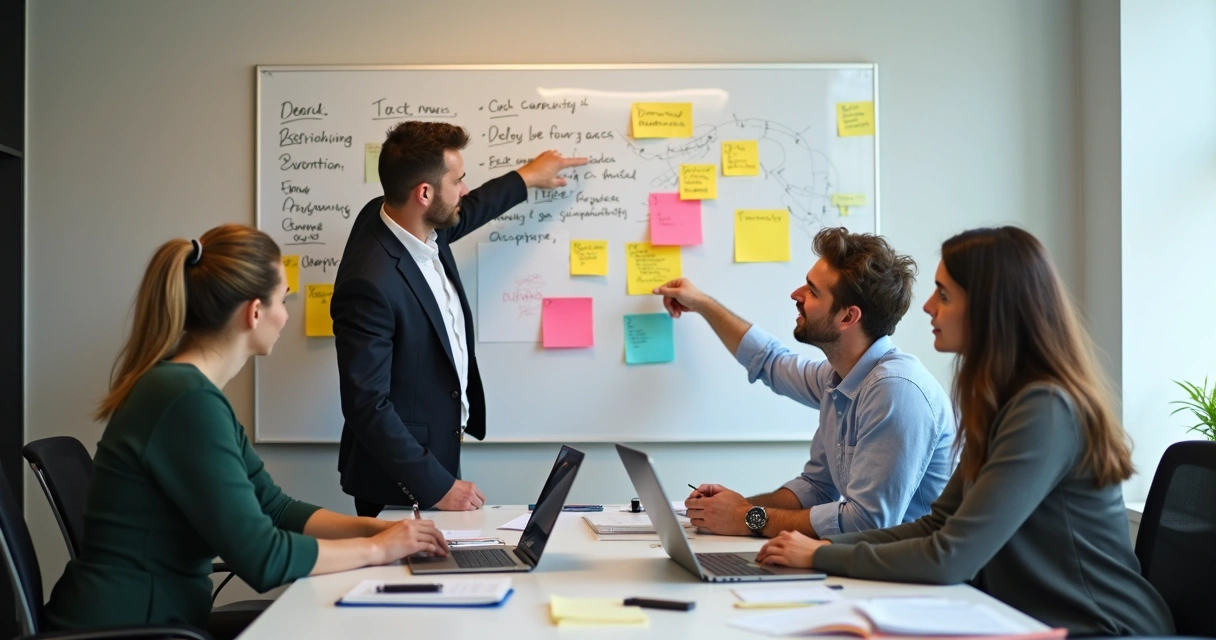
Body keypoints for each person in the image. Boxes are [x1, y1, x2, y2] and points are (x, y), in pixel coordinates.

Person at [756, 227, 1174, 637]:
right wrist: (824, 551)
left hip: (1103, 629)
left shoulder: (1044, 409)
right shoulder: (1004, 402)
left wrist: (823, 556)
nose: (926, 308)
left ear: (989, 308)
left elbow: (950, 557)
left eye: (944, 294)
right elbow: (937, 524)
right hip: (1023, 619)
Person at [44, 225, 449, 639]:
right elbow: (263, 557)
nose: (287, 314)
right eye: (284, 299)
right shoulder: (184, 399)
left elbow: (275, 508)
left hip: (152, 621)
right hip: (130, 629)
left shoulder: (191, 392)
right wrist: (380, 549)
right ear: (254, 312)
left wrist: (376, 528)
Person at [332, 121, 586, 516]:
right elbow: (366, 404)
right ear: (425, 193)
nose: (464, 190)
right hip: (396, 483)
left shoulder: (407, 219)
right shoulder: (369, 283)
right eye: (459, 181)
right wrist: (436, 486)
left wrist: (527, 177)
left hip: (435, 454)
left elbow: (469, 212)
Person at [656, 227, 955, 538]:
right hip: (870, 566)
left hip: (910, 580)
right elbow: (815, 488)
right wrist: (732, 510)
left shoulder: (896, 391)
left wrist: (746, 518)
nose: (796, 295)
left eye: (812, 291)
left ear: (847, 318)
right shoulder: (838, 378)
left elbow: (865, 522)